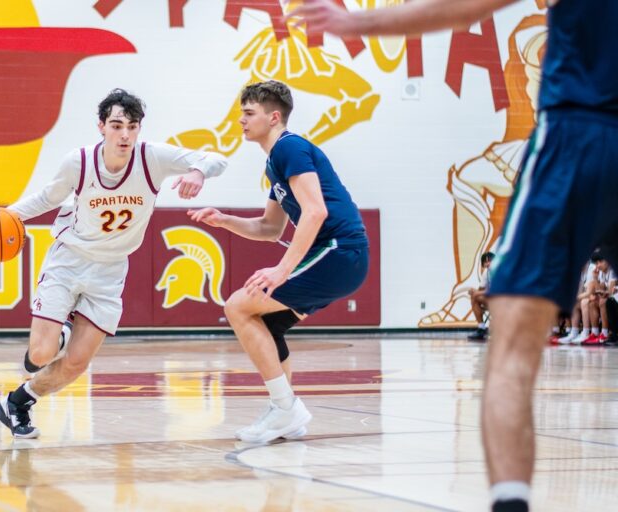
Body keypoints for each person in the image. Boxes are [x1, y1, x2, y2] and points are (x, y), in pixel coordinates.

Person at [287, 1, 618, 511]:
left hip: (578, 134)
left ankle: (510, 503)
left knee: (511, 340)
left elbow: (465, 10)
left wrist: (358, 22)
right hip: (580, 129)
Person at [0, 88, 228, 438]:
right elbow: (48, 197)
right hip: (69, 261)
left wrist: (198, 172)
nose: (125, 135)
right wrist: (6, 215)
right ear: (101, 126)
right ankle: (60, 333)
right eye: (117, 125)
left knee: (75, 364)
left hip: (111, 270)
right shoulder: (80, 161)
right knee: (41, 354)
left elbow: (217, 159)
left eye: (132, 127)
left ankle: (17, 403)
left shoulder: (152, 158)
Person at [189, 80, 369, 444]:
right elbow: (270, 228)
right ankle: (284, 412)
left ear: (273, 117)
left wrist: (281, 269)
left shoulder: (290, 147)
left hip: (340, 250)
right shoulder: (275, 164)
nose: (240, 120)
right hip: (337, 257)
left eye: (248, 113)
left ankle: (286, 407)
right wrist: (224, 220)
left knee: (238, 306)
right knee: (265, 323)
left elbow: (316, 212)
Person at [468, 251, 495, 341]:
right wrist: (473, 291)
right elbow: (481, 290)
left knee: (476, 295)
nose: (487, 263)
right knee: (474, 297)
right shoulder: (486, 273)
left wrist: (477, 292)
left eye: (489, 261)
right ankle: (481, 328)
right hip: (493, 301)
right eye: (485, 262)